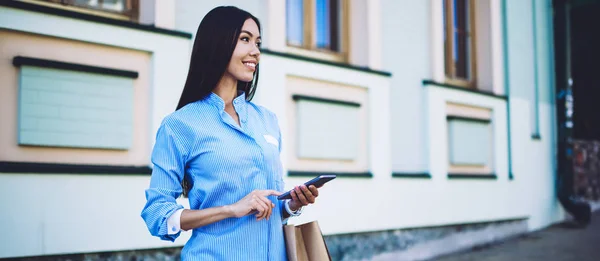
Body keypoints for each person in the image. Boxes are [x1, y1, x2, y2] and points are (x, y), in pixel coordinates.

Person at [140, 6, 322, 261]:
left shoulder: (267, 120)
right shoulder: (179, 126)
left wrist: (293, 204)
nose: (255, 51)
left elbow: (270, 209)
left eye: (258, 42)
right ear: (218, 43)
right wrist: (231, 209)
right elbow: (157, 215)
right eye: (245, 39)